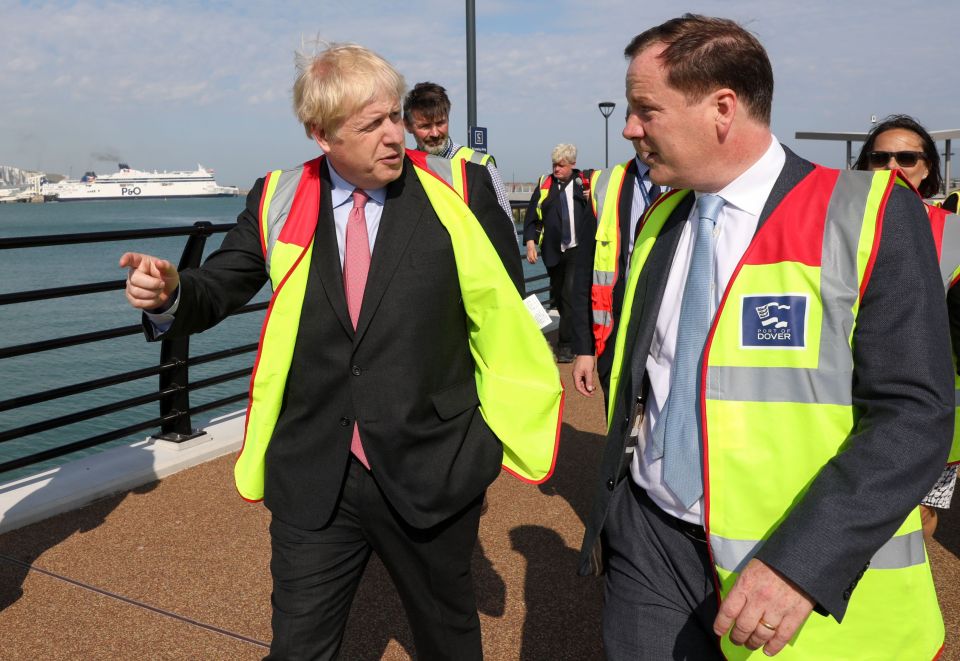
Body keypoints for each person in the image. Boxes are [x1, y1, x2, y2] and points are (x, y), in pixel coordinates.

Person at [119, 43, 563, 660]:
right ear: (321, 134)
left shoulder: (458, 192)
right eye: (371, 125)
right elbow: (221, 283)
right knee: (299, 647)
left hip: (432, 467)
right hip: (314, 473)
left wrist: (481, 447)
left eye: (394, 117)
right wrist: (169, 293)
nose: (395, 136)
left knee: (448, 639)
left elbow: (505, 312)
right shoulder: (277, 195)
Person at [577, 15, 952, 660]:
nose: (630, 128)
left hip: (787, 558)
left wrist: (802, 562)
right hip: (651, 540)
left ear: (722, 108)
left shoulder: (869, 212)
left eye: (645, 109)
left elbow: (914, 415)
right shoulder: (662, 218)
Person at [854, 114, 960, 539]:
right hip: (843, 401)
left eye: (907, 158)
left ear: (929, 167)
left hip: (930, 405)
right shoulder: (832, 227)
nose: (893, 168)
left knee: (917, 520)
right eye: (880, 158)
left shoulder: (953, 234)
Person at [571, 147, 666, 398]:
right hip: (616, 335)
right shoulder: (605, 184)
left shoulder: (697, 179)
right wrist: (584, 349)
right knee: (619, 425)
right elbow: (581, 274)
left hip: (673, 334)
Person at [403, 81, 515, 224]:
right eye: (425, 126)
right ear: (407, 125)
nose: (435, 133)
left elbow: (507, 227)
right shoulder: (404, 169)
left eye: (440, 123)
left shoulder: (481, 164)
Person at [523, 144, 595, 363]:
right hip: (553, 251)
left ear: (572, 164)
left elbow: (603, 206)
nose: (556, 169)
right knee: (560, 297)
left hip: (578, 248)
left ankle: (566, 345)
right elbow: (531, 216)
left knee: (569, 294)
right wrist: (530, 242)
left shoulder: (586, 181)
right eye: (554, 164)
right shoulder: (545, 185)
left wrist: (592, 195)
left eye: (561, 165)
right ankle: (579, 333)